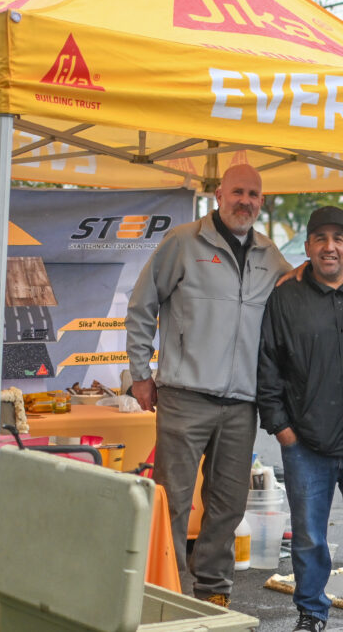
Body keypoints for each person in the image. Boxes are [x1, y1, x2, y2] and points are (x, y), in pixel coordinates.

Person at [125, 163, 290, 608]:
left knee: (228, 504)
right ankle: (166, 593)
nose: (245, 201)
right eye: (238, 192)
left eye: (253, 194)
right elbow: (141, 306)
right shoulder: (183, 242)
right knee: (173, 502)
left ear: (261, 201)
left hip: (242, 404)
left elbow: (299, 293)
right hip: (185, 396)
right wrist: (139, 374)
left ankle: (214, 591)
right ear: (219, 195)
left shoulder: (269, 254)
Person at [257, 206, 343, 632]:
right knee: (309, 536)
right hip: (307, 442)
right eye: (320, 238)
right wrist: (281, 428)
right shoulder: (285, 297)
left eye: (338, 238)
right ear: (308, 246)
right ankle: (311, 614)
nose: (329, 247)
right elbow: (268, 364)